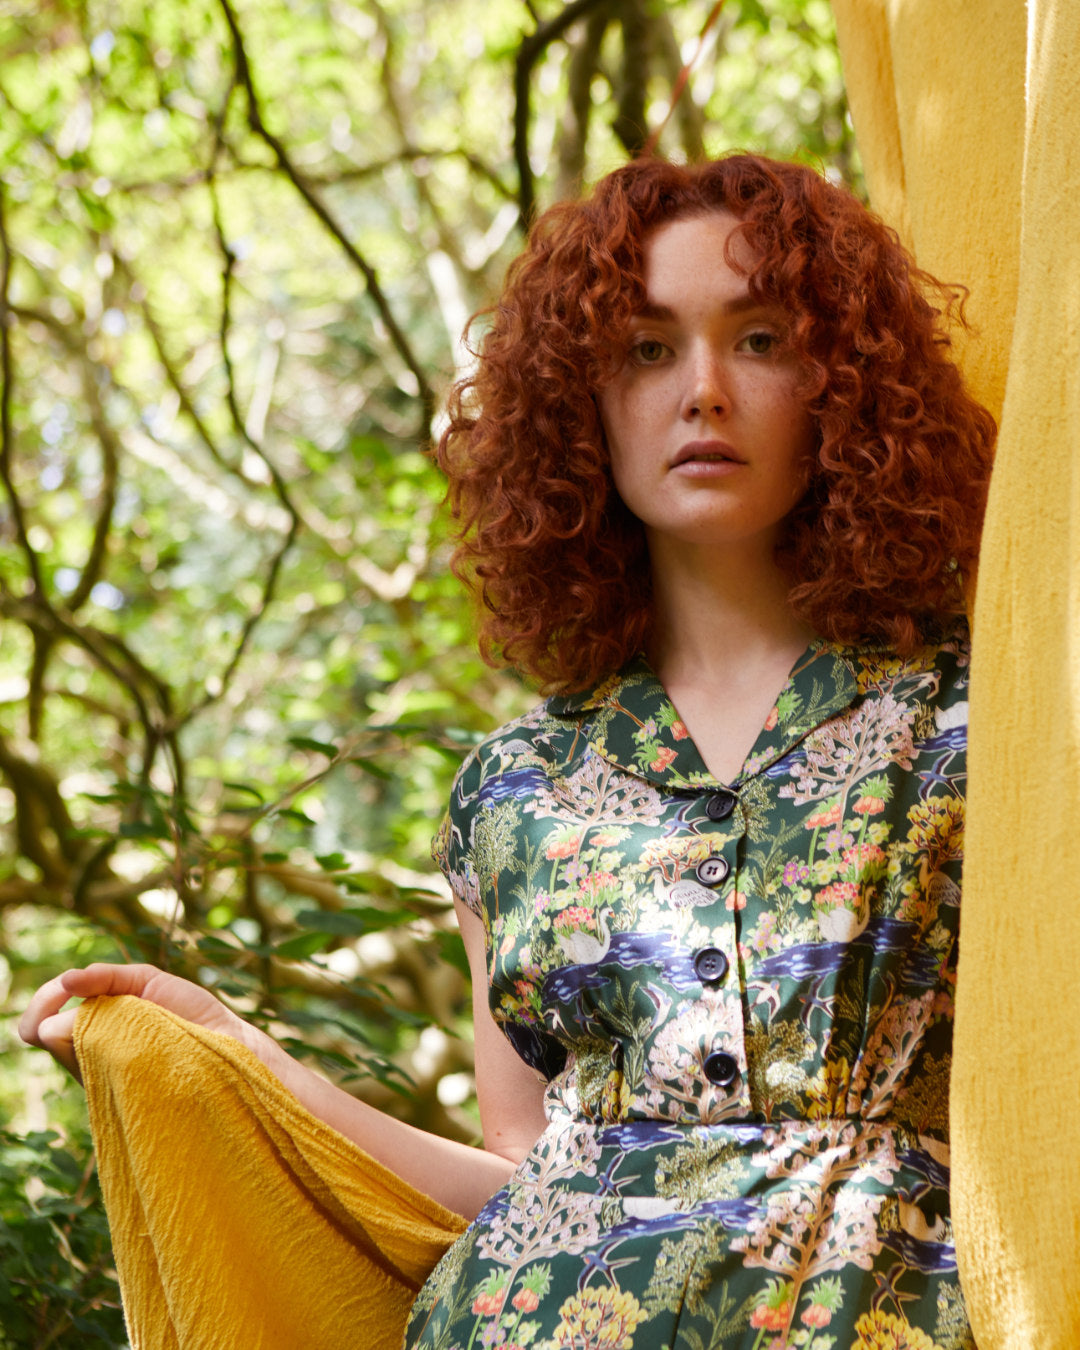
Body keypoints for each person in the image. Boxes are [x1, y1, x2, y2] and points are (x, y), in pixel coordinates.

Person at [20, 153, 994, 1349]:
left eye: (758, 338)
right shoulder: (513, 790)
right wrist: (232, 1057)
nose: (702, 391)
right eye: (646, 348)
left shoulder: (979, 720)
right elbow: (521, 1171)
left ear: (841, 381)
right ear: (577, 405)